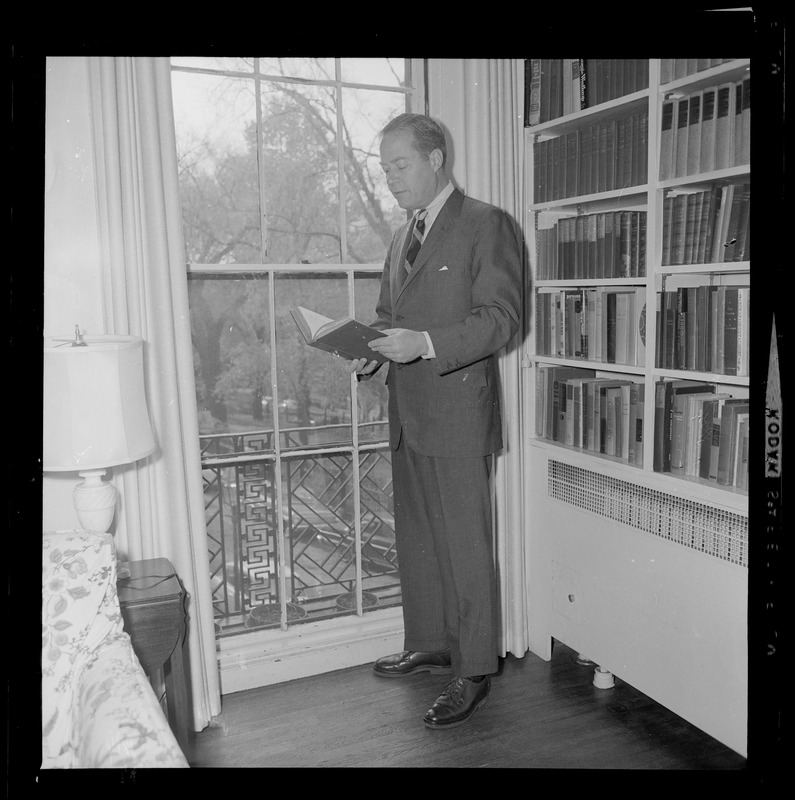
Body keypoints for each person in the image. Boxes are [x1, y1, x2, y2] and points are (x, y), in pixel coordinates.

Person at [348, 112, 523, 730]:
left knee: (466, 547)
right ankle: (432, 641)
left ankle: (473, 670)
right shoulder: (401, 238)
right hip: (408, 412)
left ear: (436, 158)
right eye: (384, 167)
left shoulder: (486, 224)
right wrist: (368, 352)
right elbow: (385, 315)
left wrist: (423, 342)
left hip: (458, 413)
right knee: (420, 541)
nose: (390, 178)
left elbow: (502, 319)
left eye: (400, 165)